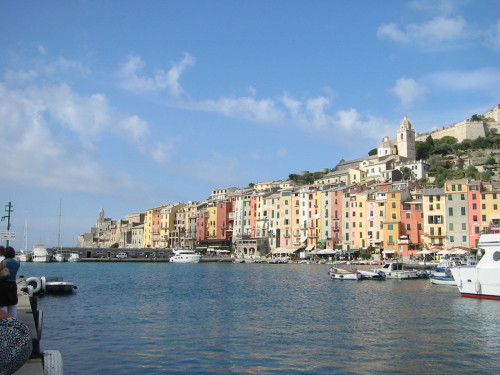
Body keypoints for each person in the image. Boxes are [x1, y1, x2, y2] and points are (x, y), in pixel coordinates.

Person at [0, 246, 20, 318]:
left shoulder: (4, 262)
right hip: (13, 284)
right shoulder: (17, 263)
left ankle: (5, 321)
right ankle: (13, 321)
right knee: (12, 304)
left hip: (4, 284)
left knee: (3, 304)